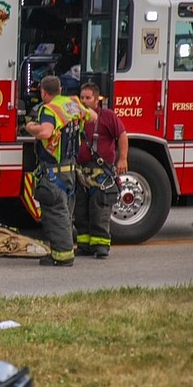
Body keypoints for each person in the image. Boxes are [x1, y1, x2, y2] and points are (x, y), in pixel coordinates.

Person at [24, 75, 95, 267]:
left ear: (43, 92)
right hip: (70, 171)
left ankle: (62, 256)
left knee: (56, 213)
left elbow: (46, 132)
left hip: (54, 172)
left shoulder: (48, 109)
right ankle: (60, 252)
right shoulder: (72, 104)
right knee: (64, 212)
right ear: (61, 89)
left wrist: (31, 126)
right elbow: (93, 116)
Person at [74, 81, 128, 258]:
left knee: (99, 209)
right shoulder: (76, 117)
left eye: (88, 98)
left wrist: (123, 159)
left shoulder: (107, 116)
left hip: (101, 172)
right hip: (81, 171)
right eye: (82, 97)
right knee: (80, 210)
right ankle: (84, 244)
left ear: (97, 100)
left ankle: (101, 246)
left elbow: (122, 135)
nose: (84, 101)